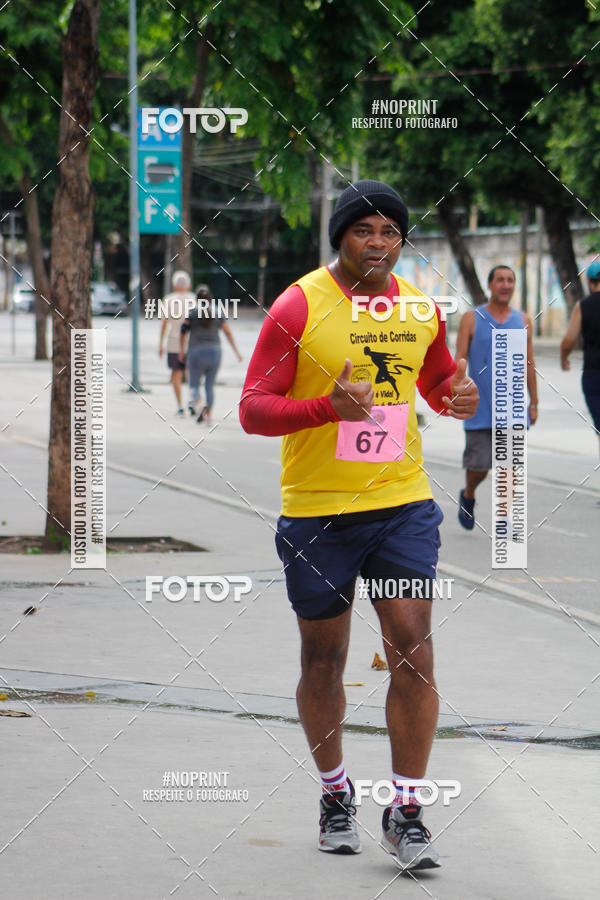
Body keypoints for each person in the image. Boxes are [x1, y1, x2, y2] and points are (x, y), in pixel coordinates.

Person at [239, 180, 478, 870]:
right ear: (340, 236)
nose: (378, 243)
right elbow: (254, 408)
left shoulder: (420, 309)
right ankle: (334, 792)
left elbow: (436, 385)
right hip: (317, 512)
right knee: (324, 661)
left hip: (400, 504)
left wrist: (455, 397)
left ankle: (406, 811)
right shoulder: (299, 304)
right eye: (364, 230)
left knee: (413, 647)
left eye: (391, 232)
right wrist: (324, 410)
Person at [455, 265, 538, 530]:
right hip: (480, 409)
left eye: (510, 280)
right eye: (500, 280)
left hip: (513, 409)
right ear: (490, 285)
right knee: (479, 467)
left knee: (509, 467)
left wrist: (533, 402)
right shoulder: (472, 317)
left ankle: (504, 518)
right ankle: (468, 494)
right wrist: (457, 393)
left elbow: (528, 363)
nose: (505, 284)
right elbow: (459, 362)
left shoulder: (523, 320)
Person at [179, 284, 242, 425]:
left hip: (195, 352)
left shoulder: (192, 313)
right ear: (211, 299)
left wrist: (182, 350)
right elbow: (228, 332)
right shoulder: (218, 312)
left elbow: (183, 331)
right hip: (215, 352)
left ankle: (200, 404)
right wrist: (237, 352)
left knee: (193, 385)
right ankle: (208, 416)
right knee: (209, 385)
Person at [560, 260, 600, 452]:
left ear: (590, 283)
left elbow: (569, 340)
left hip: (594, 376)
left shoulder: (583, 306)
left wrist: (563, 357)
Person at [159, 270, 195, 416]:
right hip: (191, 341)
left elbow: (164, 324)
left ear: (174, 286)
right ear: (189, 285)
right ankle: (192, 401)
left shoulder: (168, 300)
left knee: (176, 374)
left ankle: (180, 406)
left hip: (174, 342)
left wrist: (161, 343)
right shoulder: (195, 300)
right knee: (192, 373)